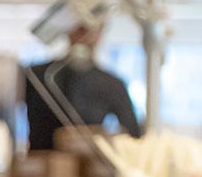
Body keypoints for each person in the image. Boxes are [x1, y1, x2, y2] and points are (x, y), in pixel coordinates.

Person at [20, 22, 142, 154]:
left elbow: (132, 134)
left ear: (99, 34)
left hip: (88, 166)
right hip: (41, 165)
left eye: (91, 31)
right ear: (68, 30)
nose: (85, 36)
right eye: (80, 29)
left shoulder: (111, 84)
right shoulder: (36, 76)